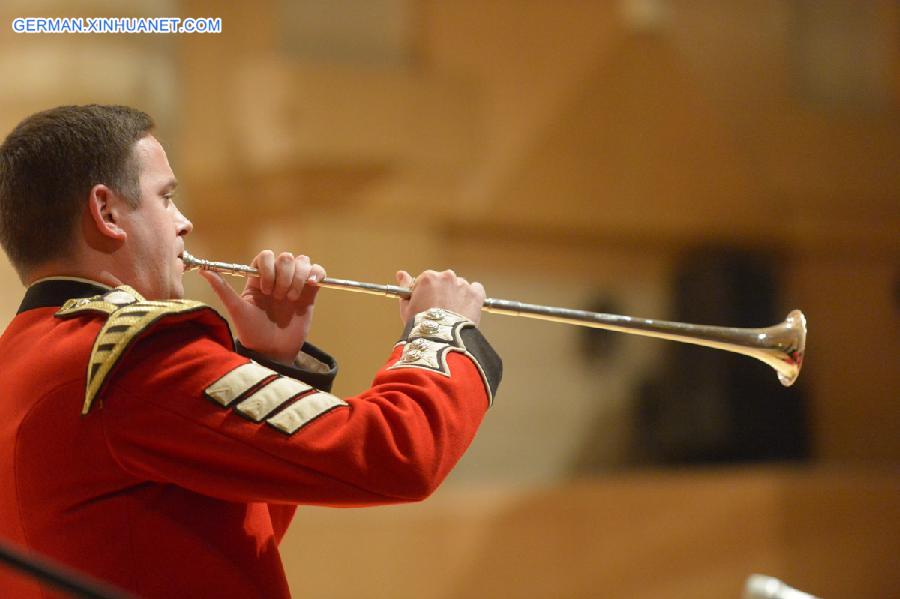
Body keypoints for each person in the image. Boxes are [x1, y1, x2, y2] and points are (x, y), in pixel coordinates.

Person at [0, 105, 501, 598]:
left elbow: (217, 542)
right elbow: (396, 454)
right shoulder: (133, 358)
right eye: (167, 197)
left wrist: (271, 360)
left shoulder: (20, 362)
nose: (184, 222)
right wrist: (441, 326)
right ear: (106, 212)